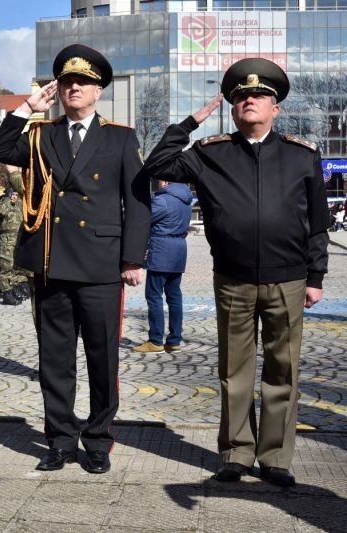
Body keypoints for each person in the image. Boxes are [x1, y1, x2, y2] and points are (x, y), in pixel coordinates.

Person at [142, 58, 330, 487]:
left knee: (283, 370)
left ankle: (275, 457)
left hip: (288, 279)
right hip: (233, 279)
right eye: (242, 95)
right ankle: (237, 452)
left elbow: (318, 223)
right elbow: (156, 165)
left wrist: (316, 277)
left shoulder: (301, 155)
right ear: (231, 106)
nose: (250, 100)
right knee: (235, 371)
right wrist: (189, 123)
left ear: (275, 108)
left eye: (259, 95)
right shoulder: (210, 153)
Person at [0, 44, 151, 474]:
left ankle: (97, 440)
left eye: (84, 82)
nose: (74, 88)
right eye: (67, 82)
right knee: (55, 360)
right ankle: (60, 440)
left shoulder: (120, 137)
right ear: (58, 91)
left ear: (99, 91)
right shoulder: (42, 134)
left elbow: (137, 203)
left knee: (102, 358)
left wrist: (133, 258)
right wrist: (27, 109)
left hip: (101, 264)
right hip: (53, 261)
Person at [133, 181, 193, 353]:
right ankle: (174, 340)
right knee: (174, 296)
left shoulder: (163, 200)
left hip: (161, 250)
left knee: (154, 296)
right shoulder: (185, 200)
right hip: (179, 250)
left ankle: (155, 340)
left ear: (165, 182)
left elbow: (143, 220)